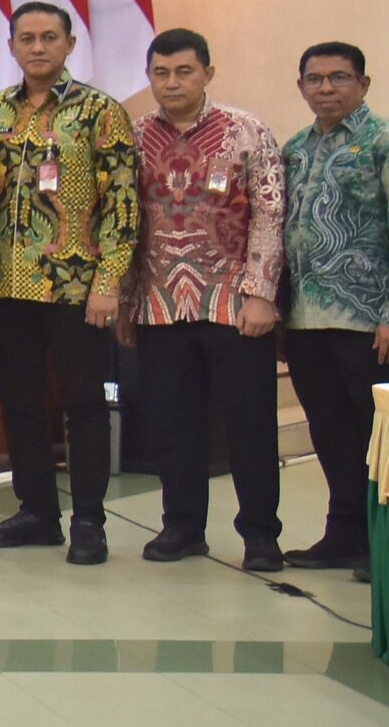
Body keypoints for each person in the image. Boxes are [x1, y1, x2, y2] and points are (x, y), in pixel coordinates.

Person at [0, 1, 139, 566]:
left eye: (49, 37)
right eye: (27, 38)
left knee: (83, 404)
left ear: (70, 44)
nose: (37, 47)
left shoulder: (100, 112)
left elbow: (121, 203)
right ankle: (38, 512)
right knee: (19, 402)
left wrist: (109, 282)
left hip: (76, 286)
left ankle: (89, 521)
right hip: (7, 285)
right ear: (12, 46)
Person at [120, 29, 287, 571]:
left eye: (184, 71)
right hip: (158, 304)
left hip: (234, 307)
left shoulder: (246, 131)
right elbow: (123, 223)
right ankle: (183, 526)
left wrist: (261, 292)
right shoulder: (135, 136)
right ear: (149, 77)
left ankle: (260, 535)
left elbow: (269, 214)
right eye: (161, 73)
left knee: (251, 424)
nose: (171, 82)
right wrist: (125, 300)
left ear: (207, 73)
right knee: (172, 425)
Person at [279, 41, 389, 579]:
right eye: (315, 79)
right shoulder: (295, 149)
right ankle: (343, 533)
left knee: (380, 437)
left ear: (363, 84)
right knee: (329, 430)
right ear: (300, 85)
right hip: (305, 320)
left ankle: (387, 543)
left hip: (371, 323)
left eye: (339, 78)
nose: (326, 88)